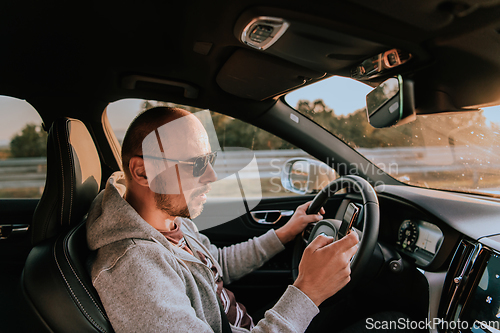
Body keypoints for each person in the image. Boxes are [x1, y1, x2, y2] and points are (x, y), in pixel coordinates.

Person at [86, 106, 359, 332]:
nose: (211, 177)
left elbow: (215, 266)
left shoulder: (170, 220)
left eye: (209, 160)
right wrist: (307, 291)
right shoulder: (135, 273)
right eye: (196, 164)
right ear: (143, 172)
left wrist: (285, 233)